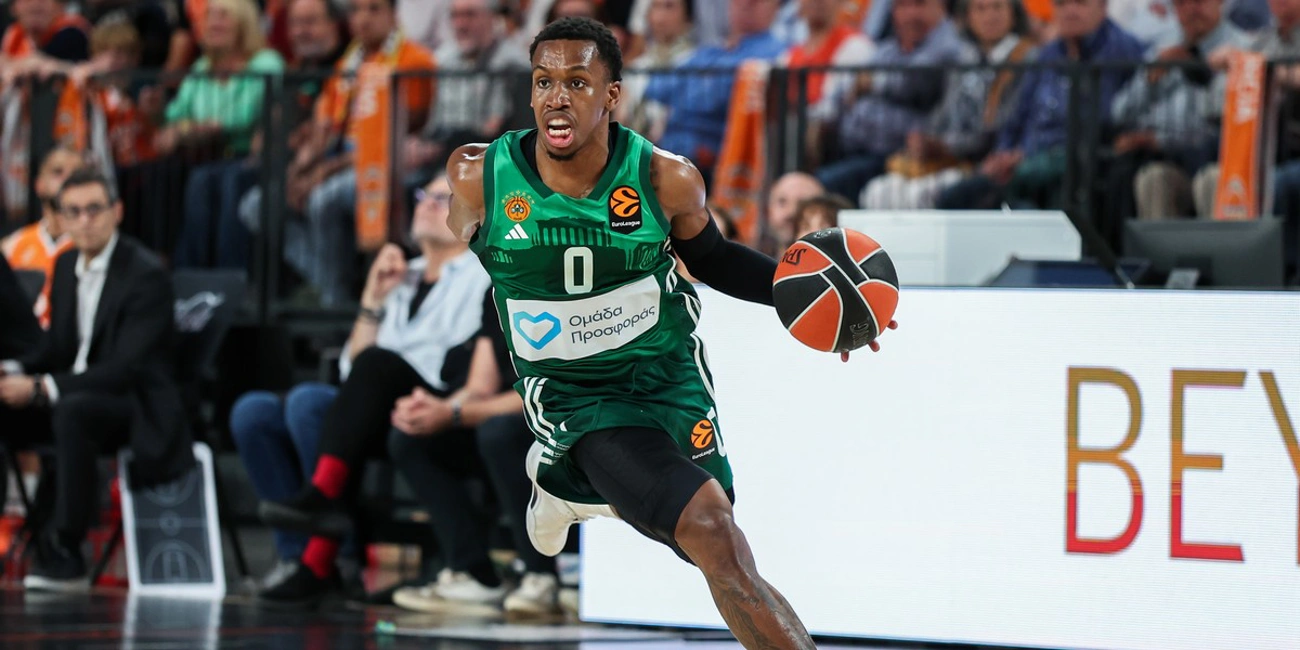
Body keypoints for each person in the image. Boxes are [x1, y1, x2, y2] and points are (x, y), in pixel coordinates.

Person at [446, 17, 896, 647]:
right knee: (715, 536)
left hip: (668, 375)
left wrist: (825, 303)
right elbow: (482, 261)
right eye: (544, 81)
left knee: (722, 542)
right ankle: (570, 466)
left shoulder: (665, 178)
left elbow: (715, 260)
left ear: (612, 94)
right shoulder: (479, 177)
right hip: (579, 397)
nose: (556, 97)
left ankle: (568, 486)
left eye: (577, 81)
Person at [0, 167, 192, 591]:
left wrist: (41, 388)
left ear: (117, 211)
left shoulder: (145, 274)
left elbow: (126, 369)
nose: (84, 220)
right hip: (76, 395)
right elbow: (57, 349)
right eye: (73, 212)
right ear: (61, 218)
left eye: (94, 209)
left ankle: (67, 550)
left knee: (73, 410)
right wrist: (13, 371)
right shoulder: (67, 263)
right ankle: (17, 535)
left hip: (133, 405)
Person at [1, 146, 80, 328]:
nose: (68, 179)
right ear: (39, 185)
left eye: (76, 173)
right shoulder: (12, 246)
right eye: (58, 171)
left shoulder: (93, 246)